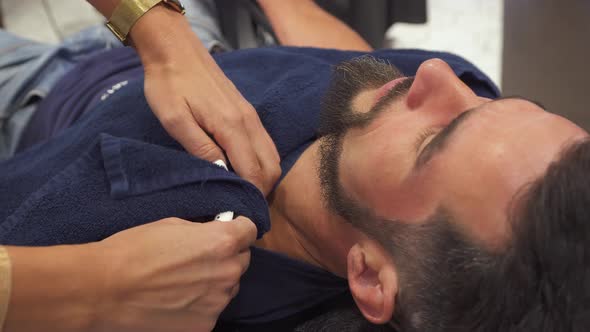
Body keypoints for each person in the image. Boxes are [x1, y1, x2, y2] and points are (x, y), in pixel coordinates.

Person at [2, 2, 589, 332]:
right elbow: (343, 56)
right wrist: (162, 33)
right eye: (494, 102)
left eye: (434, 140)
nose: (437, 73)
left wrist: (86, 285)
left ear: (369, 277)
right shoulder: (445, 85)